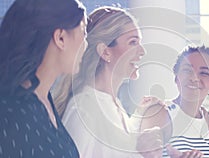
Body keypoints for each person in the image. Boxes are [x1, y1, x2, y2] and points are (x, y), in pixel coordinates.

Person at [52, 6, 151, 157]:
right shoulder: (84, 110)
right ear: (105, 52)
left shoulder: (116, 108)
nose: (142, 51)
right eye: (133, 42)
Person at [0, 0, 87, 157]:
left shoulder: (44, 99)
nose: (85, 44)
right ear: (60, 38)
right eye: (83, 31)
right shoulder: (10, 111)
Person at [139, 44, 209, 158]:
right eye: (187, 70)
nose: (194, 78)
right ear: (176, 77)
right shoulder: (159, 112)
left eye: (204, 73)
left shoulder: (206, 118)